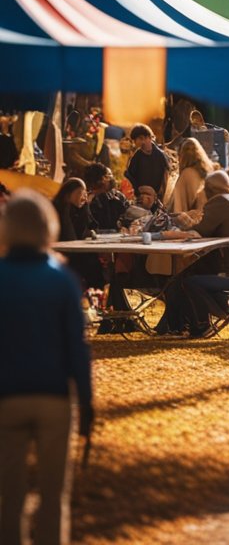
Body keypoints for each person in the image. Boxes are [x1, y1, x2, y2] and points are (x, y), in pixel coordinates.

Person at [0, 191, 94, 545]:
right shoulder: (62, 278)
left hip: (6, 396)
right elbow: (77, 347)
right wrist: (86, 402)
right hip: (54, 397)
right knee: (54, 494)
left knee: (10, 494)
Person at [156, 170, 229, 338]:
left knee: (186, 280)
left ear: (209, 190)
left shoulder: (220, 202)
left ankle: (199, 325)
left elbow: (200, 231)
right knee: (192, 272)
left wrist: (181, 224)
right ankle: (174, 325)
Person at [124, 124, 170, 200]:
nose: (134, 143)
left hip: (157, 199)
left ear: (145, 138)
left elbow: (165, 179)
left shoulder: (161, 156)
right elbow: (130, 177)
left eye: (136, 140)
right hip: (142, 199)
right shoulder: (137, 156)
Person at [170, 137, 213, 216]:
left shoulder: (186, 174)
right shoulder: (208, 172)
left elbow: (178, 208)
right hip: (207, 218)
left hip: (192, 222)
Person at [82, 163, 128, 232]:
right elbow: (89, 228)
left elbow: (129, 219)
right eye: (109, 175)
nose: (112, 178)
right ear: (102, 179)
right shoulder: (86, 201)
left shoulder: (118, 196)